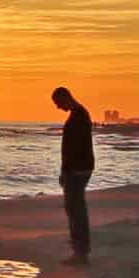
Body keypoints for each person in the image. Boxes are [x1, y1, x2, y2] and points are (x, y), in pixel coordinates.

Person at [51, 86, 94, 266]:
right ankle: (79, 251)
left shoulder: (79, 116)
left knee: (75, 210)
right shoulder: (79, 114)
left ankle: (80, 252)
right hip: (78, 168)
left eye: (58, 103)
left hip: (78, 169)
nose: (58, 107)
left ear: (65, 98)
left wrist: (66, 170)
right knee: (74, 209)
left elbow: (74, 149)